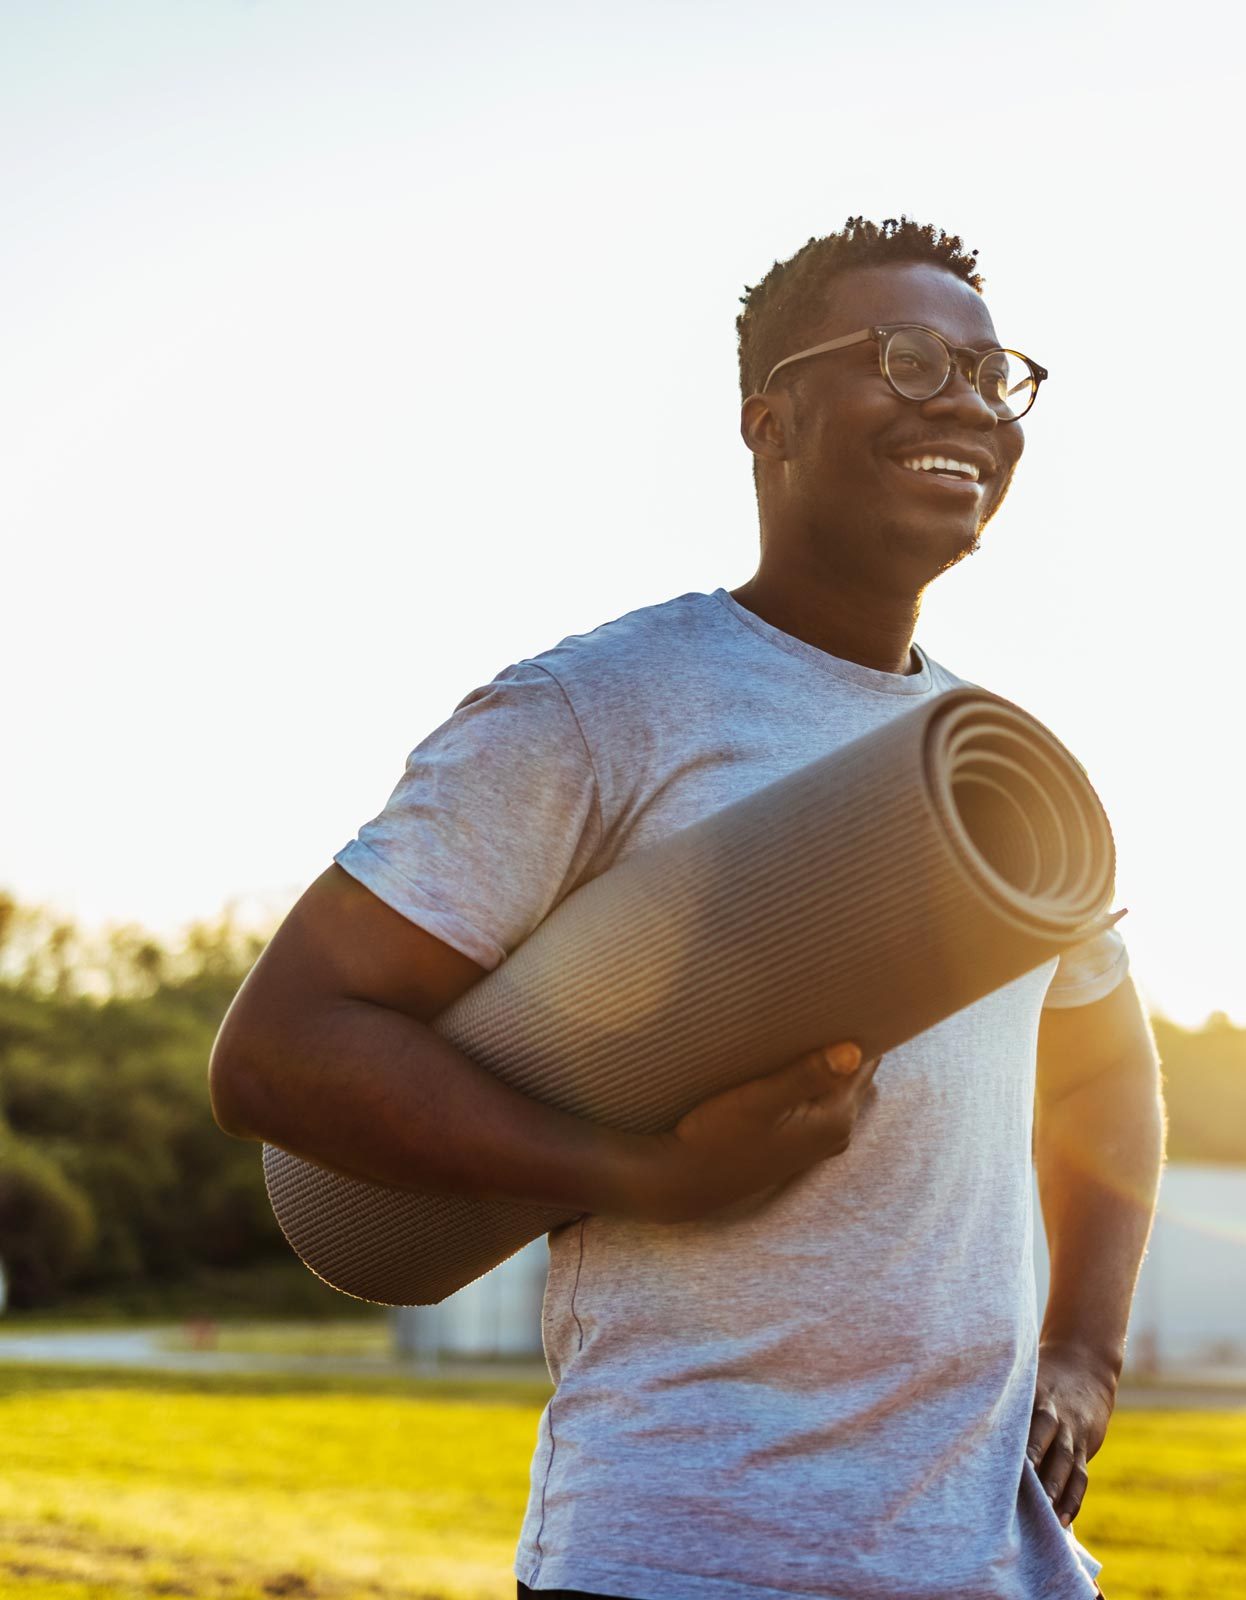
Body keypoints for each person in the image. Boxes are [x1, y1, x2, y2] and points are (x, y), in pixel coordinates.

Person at [210, 215, 1165, 1600]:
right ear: (769, 422)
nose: (962, 399)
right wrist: (650, 1174)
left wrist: (1086, 1353)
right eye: (906, 359)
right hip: (680, 1552)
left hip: (992, 1563)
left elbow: (1105, 1070)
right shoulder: (600, 707)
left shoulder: (998, 767)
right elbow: (282, 1049)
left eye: (988, 370)